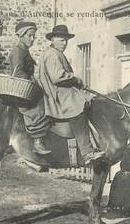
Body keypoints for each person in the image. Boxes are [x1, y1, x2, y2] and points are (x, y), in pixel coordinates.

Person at [38, 25, 105, 165]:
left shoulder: (56, 53)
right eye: (62, 40)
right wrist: (76, 79)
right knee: (78, 106)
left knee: (88, 99)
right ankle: (87, 153)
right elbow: (57, 77)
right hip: (57, 92)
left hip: (62, 90)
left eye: (66, 41)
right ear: (53, 39)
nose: (65, 43)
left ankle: (94, 141)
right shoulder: (52, 54)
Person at [9, 21, 51, 155]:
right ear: (21, 35)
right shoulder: (17, 51)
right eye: (29, 35)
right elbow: (18, 73)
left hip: (26, 86)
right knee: (42, 106)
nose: (32, 39)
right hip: (22, 88)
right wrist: (32, 83)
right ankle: (37, 140)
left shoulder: (24, 51)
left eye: (33, 36)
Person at [108, 128, 130, 213]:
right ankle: (116, 204)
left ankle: (129, 208)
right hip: (128, 170)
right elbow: (123, 163)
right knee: (118, 176)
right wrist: (125, 169)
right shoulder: (128, 148)